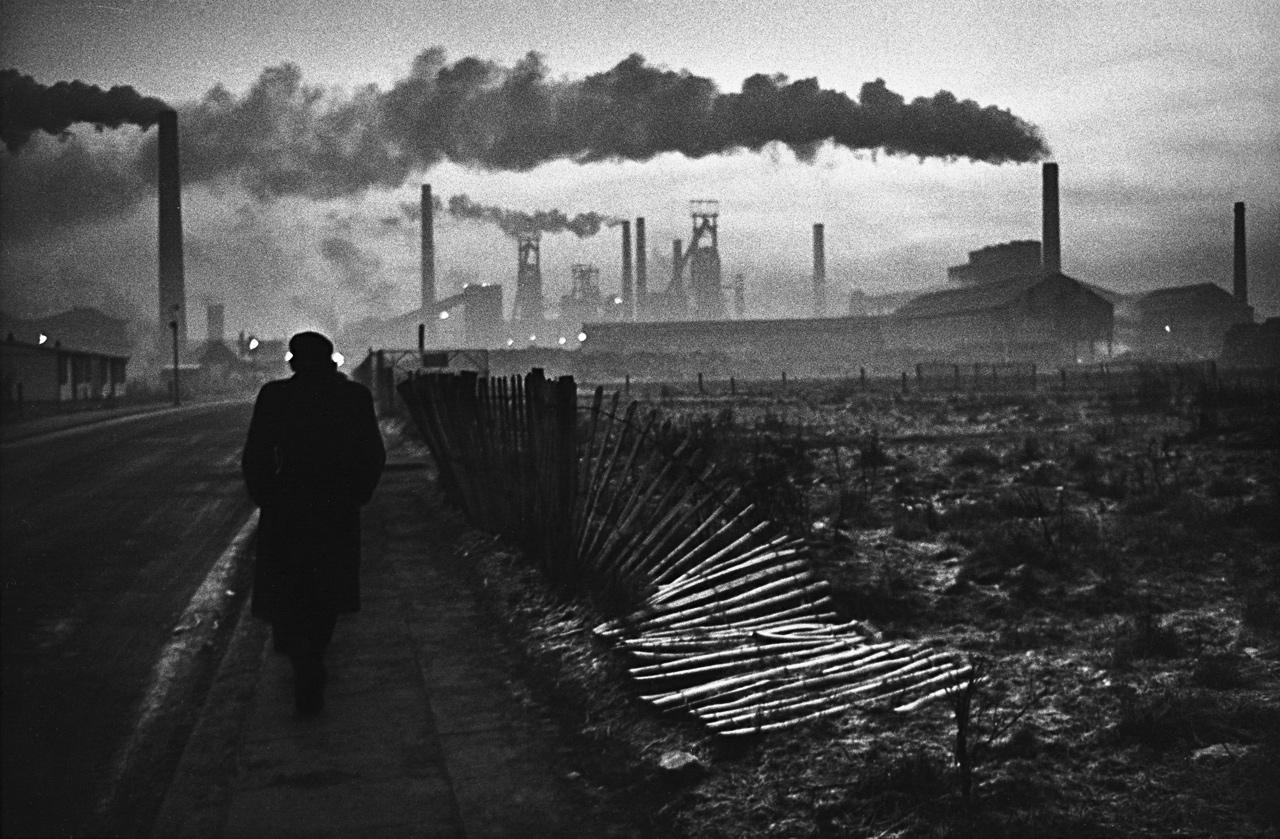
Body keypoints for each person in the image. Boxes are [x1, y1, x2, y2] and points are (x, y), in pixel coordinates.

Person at [242, 331, 385, 715]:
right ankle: (313, 656)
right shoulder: (354, 397)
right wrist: (357, 494)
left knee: (287, 590)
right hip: (336, 506)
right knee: (328, 590)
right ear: (331, 360)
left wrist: (267, 496)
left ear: (292, 362)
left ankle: (302, 659)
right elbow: (373, 453)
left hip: (288, 505)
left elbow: (255, 454)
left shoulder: (275, 397)